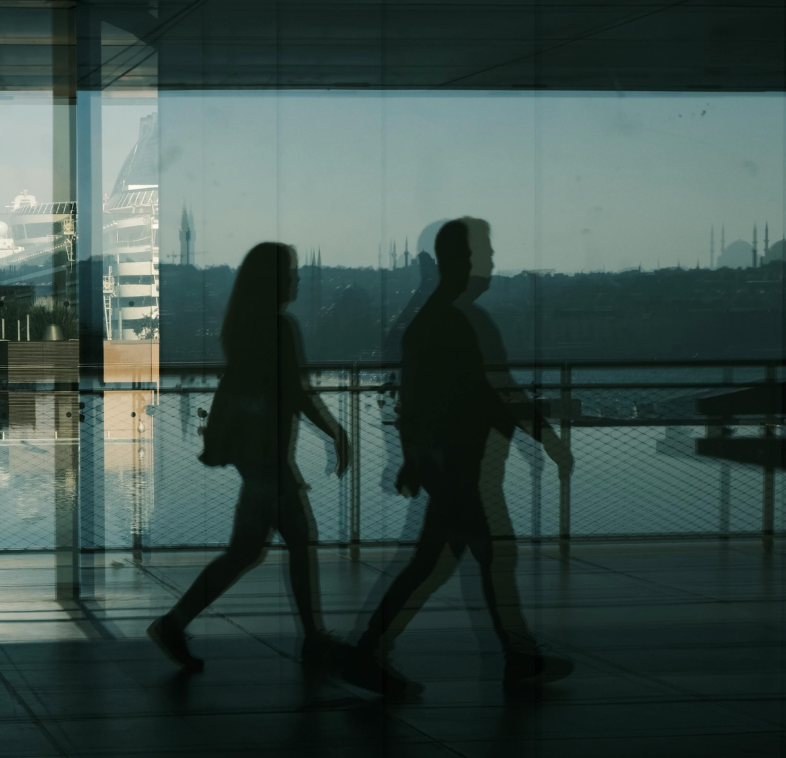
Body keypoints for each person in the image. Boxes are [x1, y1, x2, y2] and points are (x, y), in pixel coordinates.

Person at [347, 218, 575, 695]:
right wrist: (542, 437)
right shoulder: (452, 321)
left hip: (443, 463)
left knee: (438, 561)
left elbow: (418, 399)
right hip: (455, 465)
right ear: (460, 262)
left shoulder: (429, 322)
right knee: (485, 557)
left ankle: (370, 652)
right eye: (482, 255)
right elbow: (486, 394)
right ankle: (515, 656)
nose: (489, 263)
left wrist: (413, 457)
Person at [148, 242, 349, 672]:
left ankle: (175, 623)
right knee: (294, 542)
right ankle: (312, 638)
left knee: (249, 550)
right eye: (290, 273)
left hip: (253, 455)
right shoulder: (279, 328)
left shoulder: (244, 328)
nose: (296, 279)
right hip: (269, 459)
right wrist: (334, 431)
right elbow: (296, 391)